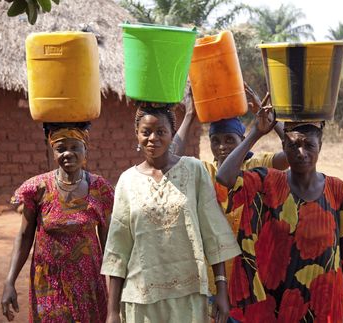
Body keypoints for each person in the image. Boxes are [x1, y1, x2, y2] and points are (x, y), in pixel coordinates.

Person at [216, 106, 343, 323]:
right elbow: (224, 178)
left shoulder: (339, 191)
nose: (301, 153)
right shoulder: (268, 181)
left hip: (325, 306)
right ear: (283, 146)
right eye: (294, 145)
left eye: (309, 145)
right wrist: (257, 132)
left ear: (321, 146)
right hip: (276, 307)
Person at [101, 104, 241, 323]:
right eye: (145, 132)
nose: (152, 138)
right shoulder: (127, 181)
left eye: (161, 132)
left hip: (189, 295)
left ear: (172, 134)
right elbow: (118, 250)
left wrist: (222, 290)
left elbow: (213, 233)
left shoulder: (194, 170)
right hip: (141, 299)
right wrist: (112, 312)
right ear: (136, 134)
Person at [172, 85, 289, 304]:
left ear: (242, 139)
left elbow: (291, 155)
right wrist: (189, 117)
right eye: (215, 141)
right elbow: (168, 162)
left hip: (252, 265)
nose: (222, 147)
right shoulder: (204, 170)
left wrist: (273, 123)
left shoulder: (256, 164)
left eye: (230, 140)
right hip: (213, 270)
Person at [1, 123, 114, 322]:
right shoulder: (37, 188)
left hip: (89, 286)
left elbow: (108, 243)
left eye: (74, 147)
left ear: (85, 149)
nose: (67, 153)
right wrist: (9, 282)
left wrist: (117, 290)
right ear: (52, 152)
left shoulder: (100, 188)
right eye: (60, 148)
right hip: (48, 285)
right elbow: (24, 236)